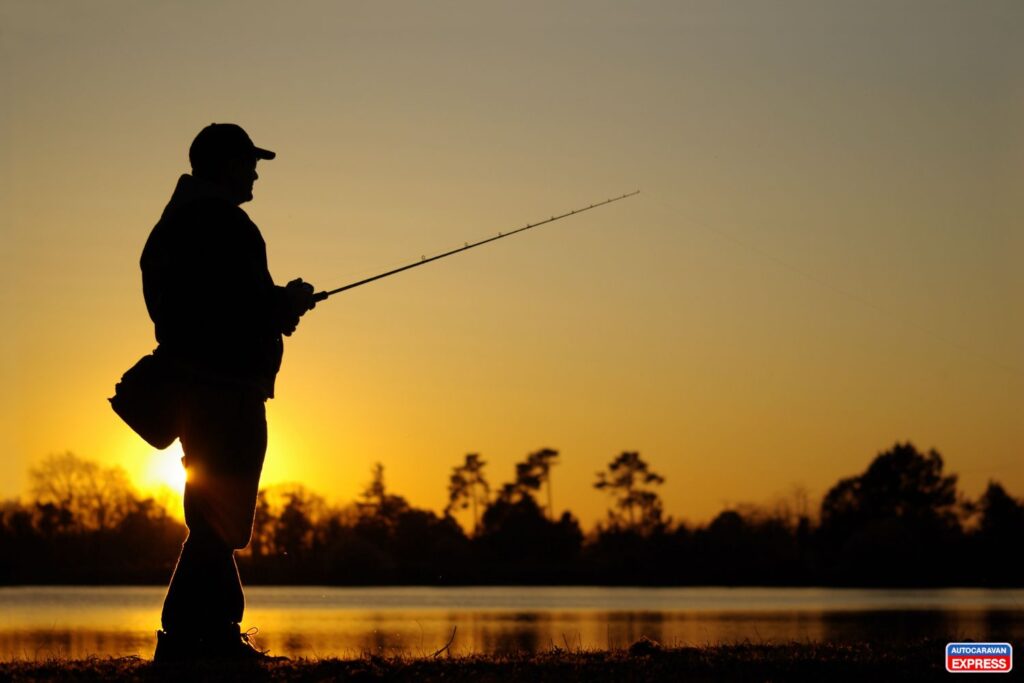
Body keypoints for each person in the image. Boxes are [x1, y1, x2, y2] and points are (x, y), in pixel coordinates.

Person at [141, 123, 315, 662]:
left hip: (199, 388)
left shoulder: (175, 223)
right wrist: (284, 305)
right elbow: (238, 308)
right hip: (226, 389)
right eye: (249, 162)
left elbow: (205, 305)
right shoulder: (226, 224)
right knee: (223, 518)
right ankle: (198, 636)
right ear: (224, 165)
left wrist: (273, 307)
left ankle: (200, 636)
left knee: (214, 516)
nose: (256, 172)